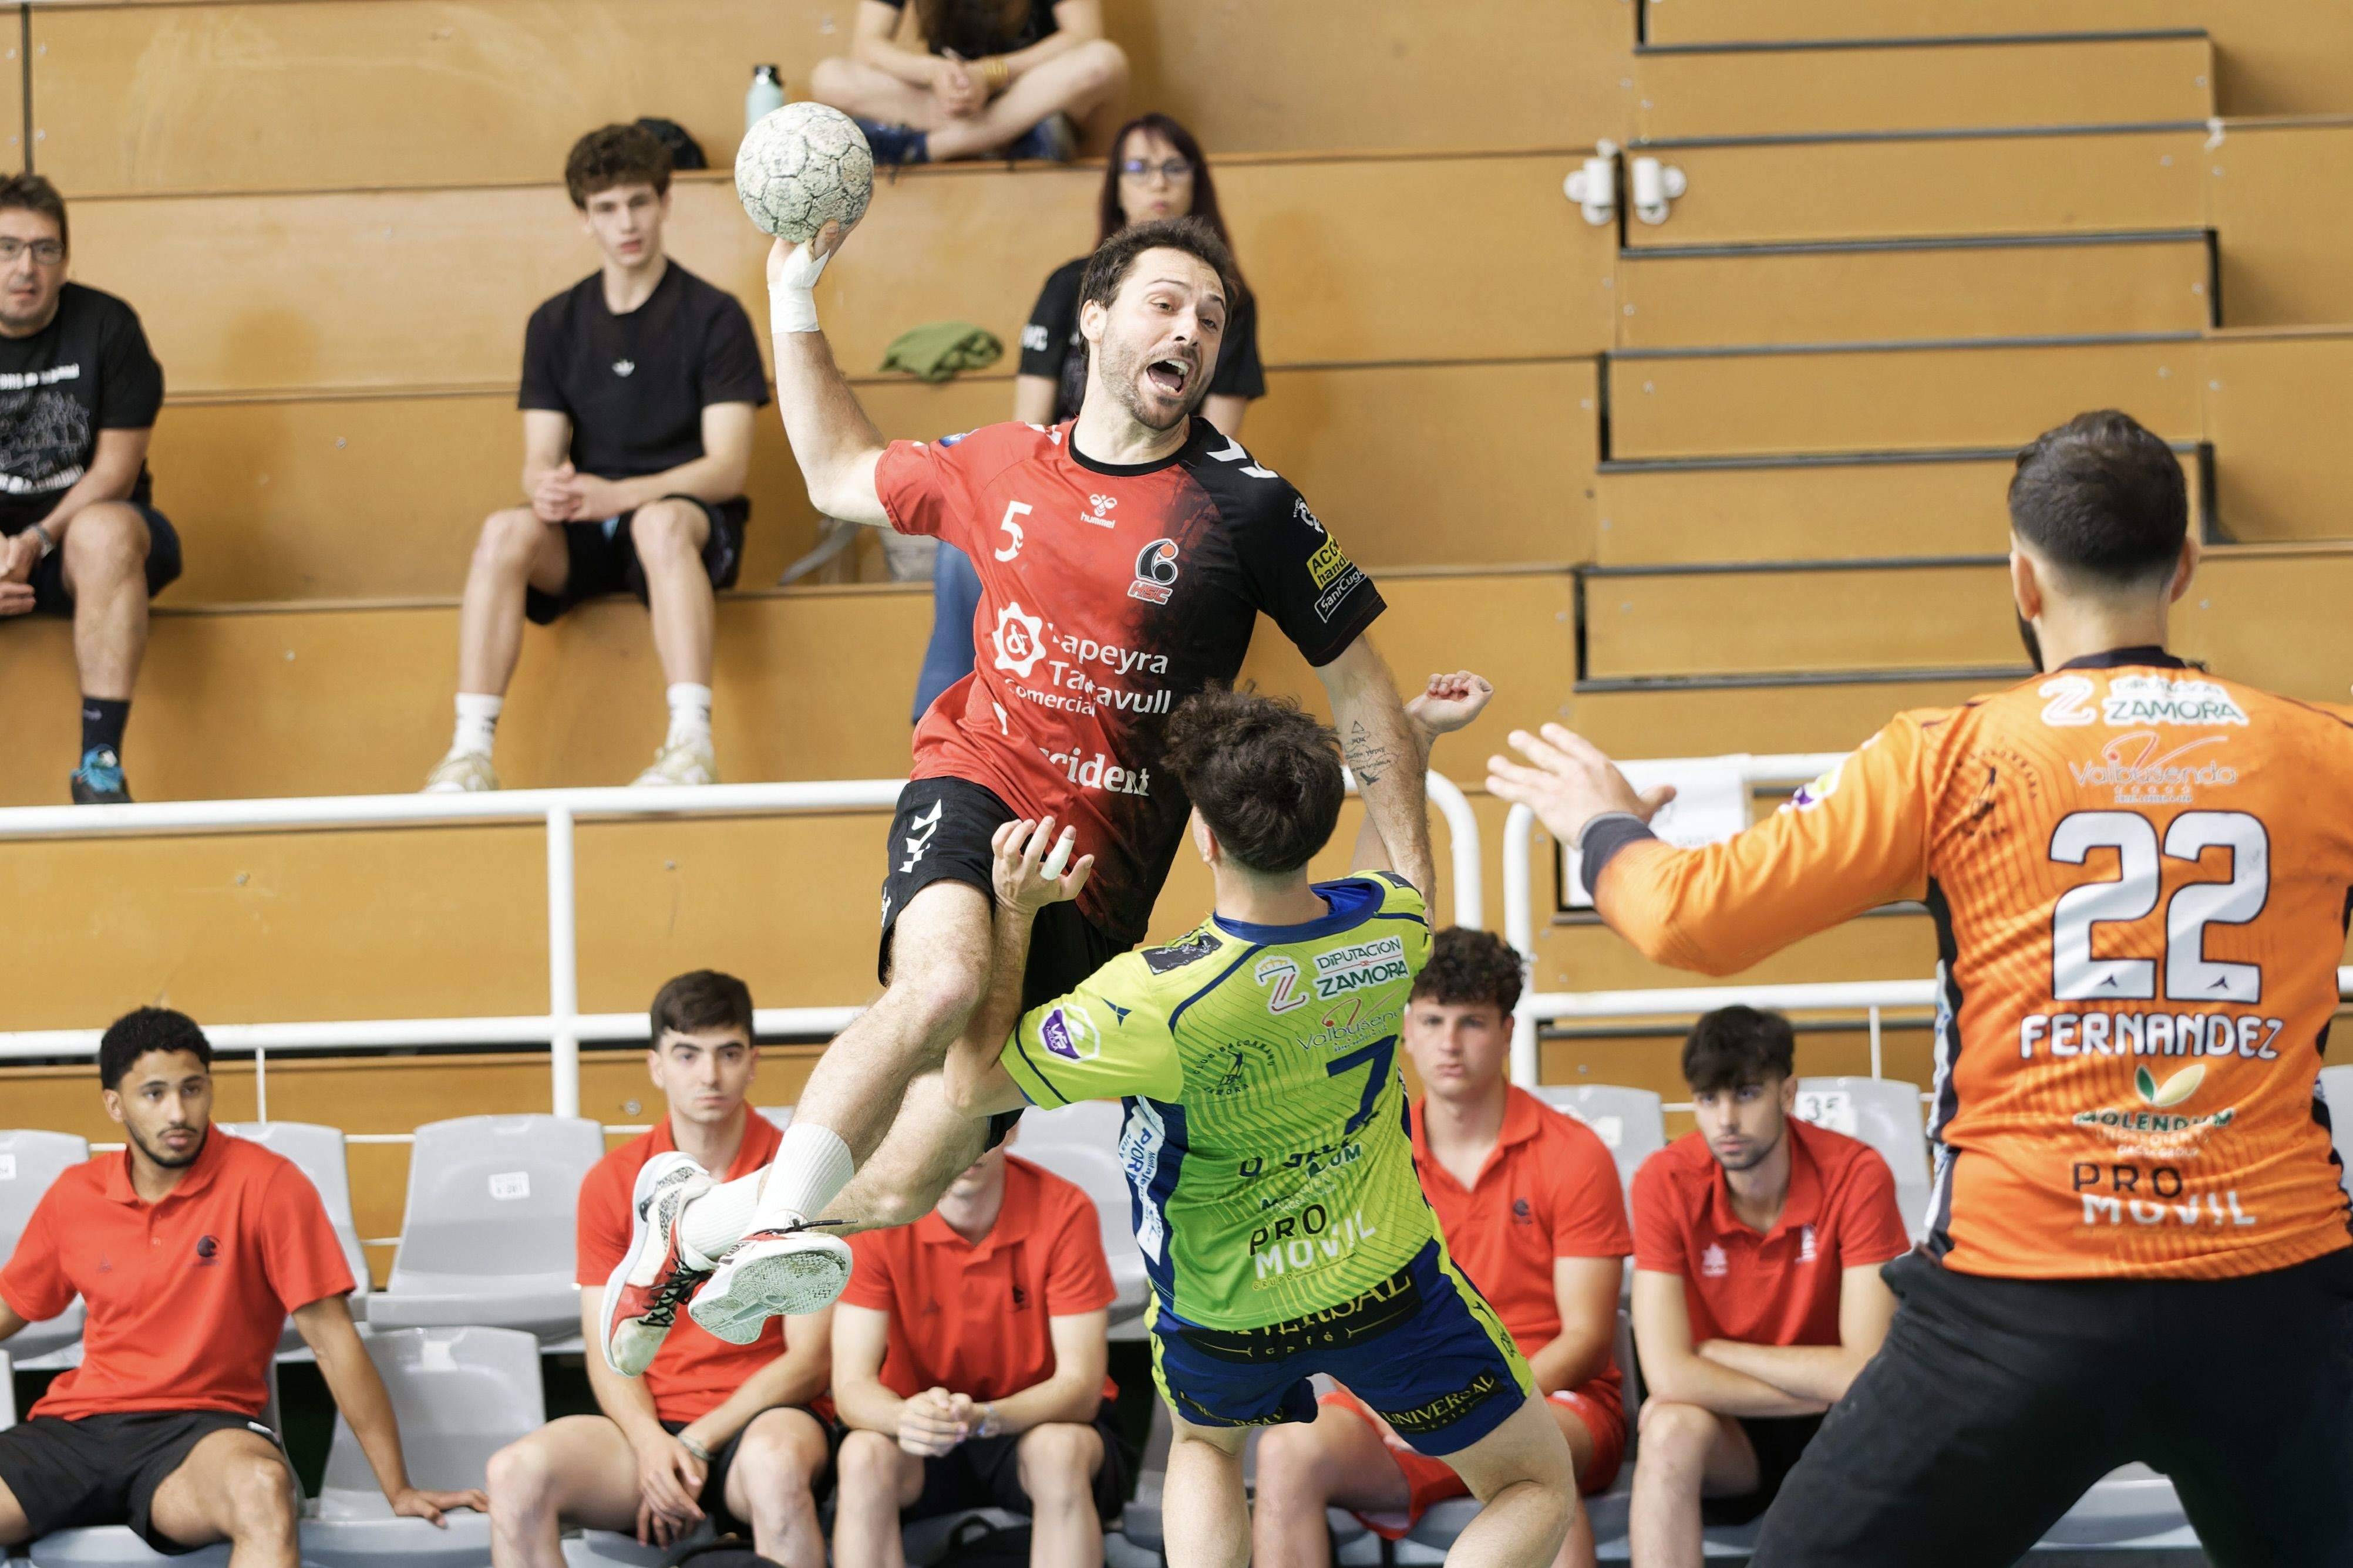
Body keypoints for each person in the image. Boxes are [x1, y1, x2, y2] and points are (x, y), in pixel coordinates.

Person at [1486, 407, 2353, 1566]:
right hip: (2272, 1298)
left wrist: (1601, 826)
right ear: (2184, 566)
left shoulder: (1947, 756)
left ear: (2021, 578)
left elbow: (1682, 916)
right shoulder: (2325, 751)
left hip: (2015, 1305)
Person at [600, 210, 1433, 1368]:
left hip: (1099, 878)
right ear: (1092, 318)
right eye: (1163, 304)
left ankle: (692, 1227)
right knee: (939, 983)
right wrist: (791, 298)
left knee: (906, 1181)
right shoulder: (998, 463)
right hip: (977, 782)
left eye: (1209, 319)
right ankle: (776, 1222)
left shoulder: (1248, 508)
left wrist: (1416, 885)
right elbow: (836, 472)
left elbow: (1361, 687)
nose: (1188, 332)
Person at [931, 679, 1581, 1568]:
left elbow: (971, 1085)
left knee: (1204, 1447)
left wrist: (1012, 911)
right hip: (1382, 1283)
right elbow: (1395, 859)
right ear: (1314, 825)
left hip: (1222, 1312)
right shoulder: (1392, 931)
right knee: (1533, 1485)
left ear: (1203, 835)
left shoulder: (1149, 998)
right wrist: (1412, 739)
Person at [0, 1008, 483, 1560]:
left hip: (200, 1436)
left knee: (262, 1491)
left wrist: (397, 1487)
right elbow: (11, 1306)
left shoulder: (268, 1183)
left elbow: (333, 1340)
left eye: (192, 1089)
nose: (178, 1112)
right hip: (78, 1433)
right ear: (115, 1104)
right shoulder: (74, 1193)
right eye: (154, 1094)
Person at [1252, 925, 1632, 1568]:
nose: (1449, 1043)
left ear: (1507, 1032)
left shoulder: (1574, 1153)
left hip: (1548, 1398)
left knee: (1532, 1452)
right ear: (1405, 1028)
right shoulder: (1365, 1158)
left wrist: (1472, 1407)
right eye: (1431, 1020)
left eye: (1471, 1022)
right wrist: (1400, 1406)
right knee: (1285, 1450)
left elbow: (1587, 1340)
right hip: (1406, 1403)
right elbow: (1342, 1320)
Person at [423, 123, 767, 794]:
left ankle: (691, 746)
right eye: (606, 208)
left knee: (658, 524)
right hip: (586, 528)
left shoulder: (715, 316)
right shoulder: (554, 321)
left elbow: (727, 468)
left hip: (685, 524)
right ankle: (469, 754)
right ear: (584, 218)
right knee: (504, 531)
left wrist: (623, 494)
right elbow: (539, 456)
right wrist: (546, 485)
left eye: (638, 202)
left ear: (665, 203)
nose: (626, 223)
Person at [914, 112, 1265, 720]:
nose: (1157, 181)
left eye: (1173, 166)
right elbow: (1027, 428)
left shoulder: (1223, 301)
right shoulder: (1068, 286)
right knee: (964, 542)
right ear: (1116, 188)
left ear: (1196, 183)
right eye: (1138, 167)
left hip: (1159, 498)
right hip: (1059, 483)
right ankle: (948, 722)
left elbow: (1219, 445)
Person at [486, 973, 832, 1567]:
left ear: (753, 1063)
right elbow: (608, 1347)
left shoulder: (801, 1172)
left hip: (764, 1419)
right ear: (656, 1066)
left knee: (775, 1468)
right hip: (647, 1426)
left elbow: (809, 1360)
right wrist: (651, 1445)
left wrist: (698, 1440)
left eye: (728, 1053)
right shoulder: (612, 1181)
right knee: (514, 1474)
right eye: (687, 1054)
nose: (709, 1075)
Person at [1624, 1008, 1905, 1567]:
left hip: (1838, 1433)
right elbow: (1669, 1377)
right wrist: (1825, 1385)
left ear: (1787, 1093)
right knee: (1666, 1426)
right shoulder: (1664, 1179)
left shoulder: (1856, 1173)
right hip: (1729, 1435)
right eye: (1708, 1099)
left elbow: (1864, 1369)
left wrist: (1719, 1352)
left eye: (1746, 1093)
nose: (1726, 1119)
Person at [829, 1130, 1128, 1568]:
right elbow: (852, 1387)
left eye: (983, 1123)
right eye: (952, 1127)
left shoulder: (1064, 1208)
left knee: (1059, 1450)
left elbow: (1081, 1390)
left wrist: (986, 1417)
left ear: (1012, 1127)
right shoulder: (879, 1217)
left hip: (1031, 1426)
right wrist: (905, 1417)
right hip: (920, 1436)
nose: (967, 1143)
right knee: (862, 1455)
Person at [0, 174, 180, 805]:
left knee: (103, 529)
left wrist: (33, 540)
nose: (27, 267)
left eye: (45, 249)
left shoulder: (108, 326)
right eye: (7, 248)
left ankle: (100, 766)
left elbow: (114, 474)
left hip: (89, 554)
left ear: (65, 258)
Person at [809, 0, 1129, 166]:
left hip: (1029, 93)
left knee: (1105, 61)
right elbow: (866, 46)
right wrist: (933, 73)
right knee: (829, 78)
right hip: (948, 102)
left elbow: (1084, 34)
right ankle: (1002, 138)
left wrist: (993, 74)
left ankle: (933, 147)